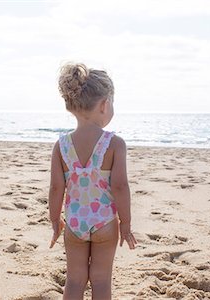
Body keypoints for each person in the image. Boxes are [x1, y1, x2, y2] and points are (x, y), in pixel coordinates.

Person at [48, 63, 137, 299]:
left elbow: (57, 188)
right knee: (101, 281)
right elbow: (120, 186)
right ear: (104, 104)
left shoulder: (62, 145)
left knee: (75, 281)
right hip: (105, 222)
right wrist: (125, 223)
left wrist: (55, 220)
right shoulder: (114, 144)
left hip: (75, 222)